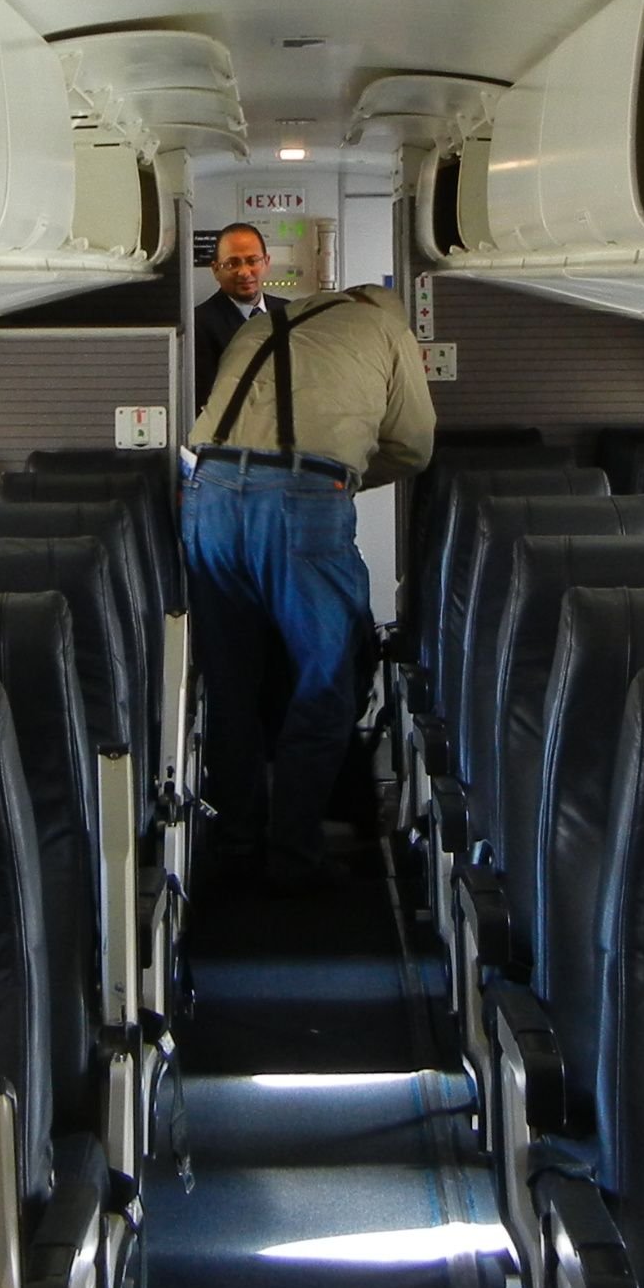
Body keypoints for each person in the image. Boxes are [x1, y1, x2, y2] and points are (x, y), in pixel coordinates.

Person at [185, 280, 437, 891]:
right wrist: (340, 475)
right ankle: (295, 852)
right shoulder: (387, 329)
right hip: (300, 502)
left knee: (230, 683)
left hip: (206, 493)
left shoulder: (260, 325)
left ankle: (236, 840)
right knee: (328, 677)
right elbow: (413, 446)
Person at [193, 222, 289, 378]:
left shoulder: (289, 313)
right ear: (216, 270)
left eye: (252, 261)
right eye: (232, 264)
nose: (244, 272)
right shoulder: (198, 326)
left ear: (266, 263)